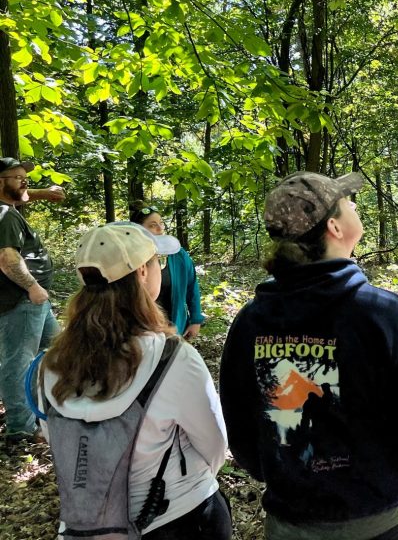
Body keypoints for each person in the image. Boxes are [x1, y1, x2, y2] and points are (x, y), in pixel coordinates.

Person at [220, 171, 398, 540]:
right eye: (345, 201)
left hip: (292, 519)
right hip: (380, 519)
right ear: (334, 227)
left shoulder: (251, 322)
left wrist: (288, 472)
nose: (353, 203)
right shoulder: (384, 315)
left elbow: (240, 428)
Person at [35, 222, 230, 538]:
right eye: (157, 262)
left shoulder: (51, 364)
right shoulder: (173, 358)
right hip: (178, 516)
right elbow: (215, 445)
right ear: (141, 272)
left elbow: (60, 437)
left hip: (86, 525)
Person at [0, 156, 63, 441]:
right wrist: (33, 286)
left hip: (33, 302)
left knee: (57, 352)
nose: (24, 182)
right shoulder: (5, 215)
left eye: (25, 177)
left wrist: (44, 193)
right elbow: (7, 258)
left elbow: (21, 193)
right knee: (19, 362)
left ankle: (48, 408)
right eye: (17, 177)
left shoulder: (8, 208)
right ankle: (21, 427)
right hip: (23, 300)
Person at [130, 203, 204, 339]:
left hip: (175, 328)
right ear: (138, 230)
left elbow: (192, 286)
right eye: (153, 225)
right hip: (141, 331)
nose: (160, 229)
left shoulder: (178, 255)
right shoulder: (130, 257)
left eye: (161, 223)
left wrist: (195, 320)